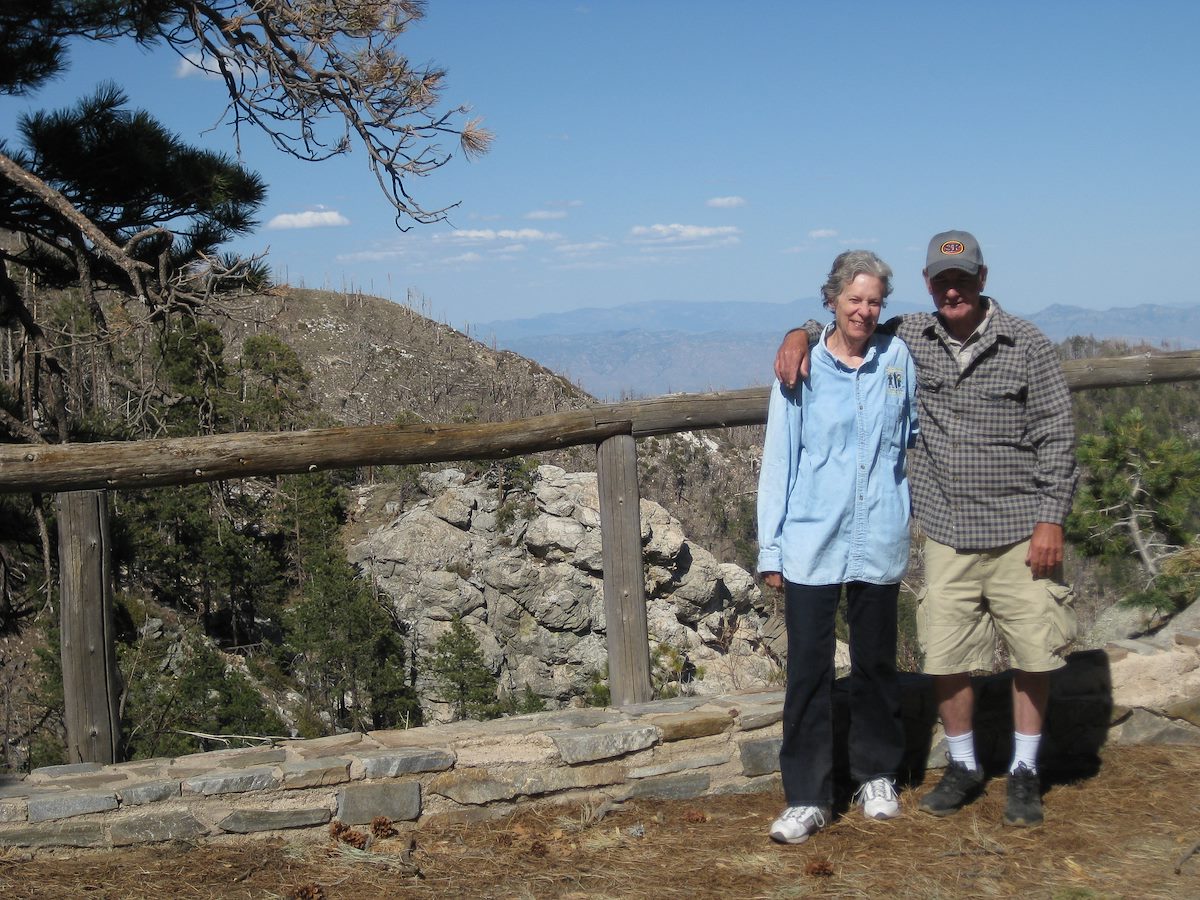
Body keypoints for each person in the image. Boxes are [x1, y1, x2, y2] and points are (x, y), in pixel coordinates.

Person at [773, 230, 1078, 828]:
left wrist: (1052, 518)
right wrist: (799, 331)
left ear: (984, 280)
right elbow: (848, 322)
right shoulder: (913, 335)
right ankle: (962, 766)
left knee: (1032, 654)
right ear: (929, 284)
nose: (953, 289)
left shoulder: (1028, 344)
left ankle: (1023, 771)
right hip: (945, 530)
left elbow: (1058, 436)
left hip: (1022, 527)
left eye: (963, 279)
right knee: (945, 654)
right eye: (942, 280)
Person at [758, 250, 918, 844]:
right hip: (811, 538)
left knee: (876, 663)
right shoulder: (802, 369)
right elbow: (780, 459)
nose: (865, 310)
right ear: (831, 301)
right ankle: (807, 795)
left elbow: (910, 435)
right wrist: (770, 549)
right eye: (854, 299)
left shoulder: (896, 358)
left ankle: (876, 774)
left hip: (877, 534)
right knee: (808, 671)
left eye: (875, 300)